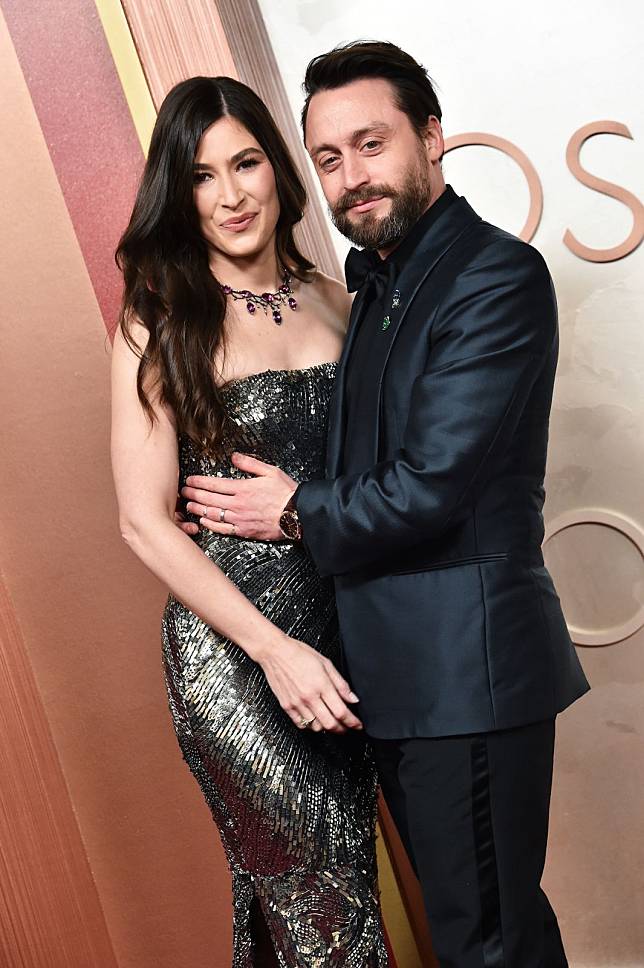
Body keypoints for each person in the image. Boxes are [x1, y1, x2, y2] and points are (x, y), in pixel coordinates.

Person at [182, 43, 591, 967]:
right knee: (494, 932)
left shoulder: (494, 278)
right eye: (328, 158)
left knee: (484, 942)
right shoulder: (375, 283)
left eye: (371, 144)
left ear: (433, 138)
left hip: (465, 673)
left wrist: (290, 512)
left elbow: (432, 484)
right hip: (403, 679)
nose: (350, 176)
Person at [110, 74, 389, 967]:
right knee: (327, 915)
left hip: (349, 638)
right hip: (234, 658)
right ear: (176, 193)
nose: (229, 195)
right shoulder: (159, 322)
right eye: (200, 176)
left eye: (246, 163)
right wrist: (274, 651)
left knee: (308, 905)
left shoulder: (339, 297)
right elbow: (142, 523)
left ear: (281, 169)